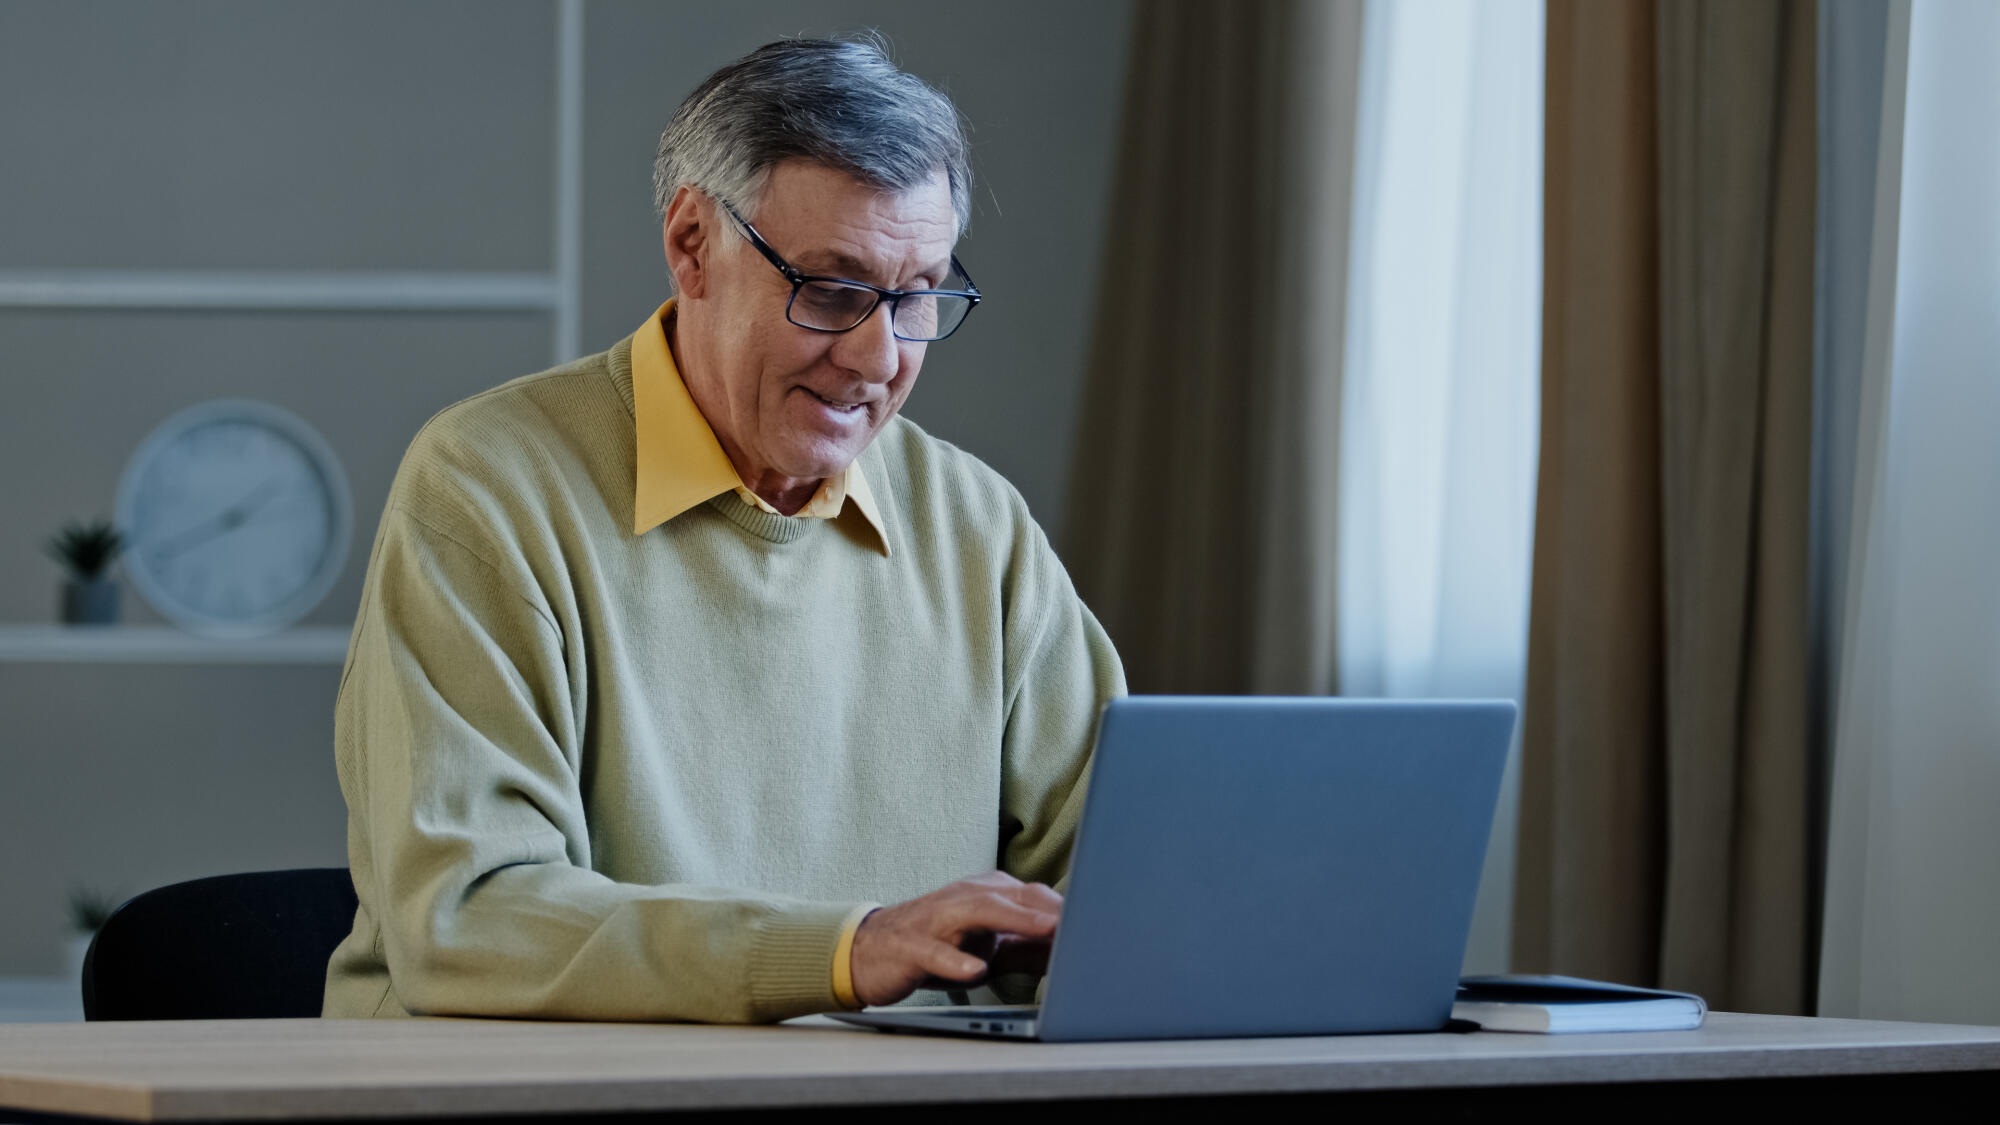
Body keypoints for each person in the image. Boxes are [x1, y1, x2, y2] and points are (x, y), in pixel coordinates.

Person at [321, 36, 1125, 1023]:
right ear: (692, 245)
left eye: (916, 296)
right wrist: (844, 949)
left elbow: (1122, 879)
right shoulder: (485, 485)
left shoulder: (975, 525)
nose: (877, 357)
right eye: (829, 290)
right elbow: (469, 916)